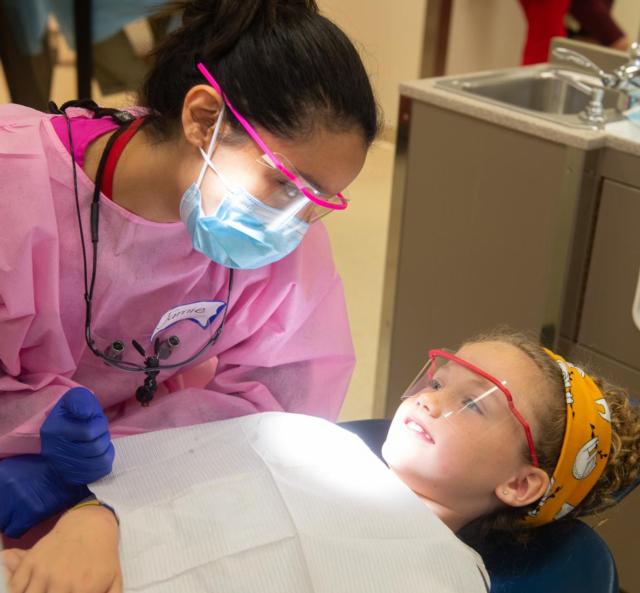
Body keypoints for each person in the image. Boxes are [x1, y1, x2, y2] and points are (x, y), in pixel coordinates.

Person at [0, 0, 381, 538]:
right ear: (204, 119)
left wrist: (115, 480)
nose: (294, 219)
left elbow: (277, 401)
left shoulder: (280, 239)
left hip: (136, 500)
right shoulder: (14, 188)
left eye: (318, 200)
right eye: (285, 182)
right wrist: (29, 433)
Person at [3, 329, 638, 592]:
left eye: (474, 405)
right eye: (440, 378)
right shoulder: (302, 440)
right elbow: (150, 480)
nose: (429, 399)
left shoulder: (447, 580)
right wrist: (94, 520)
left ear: (521, 482)